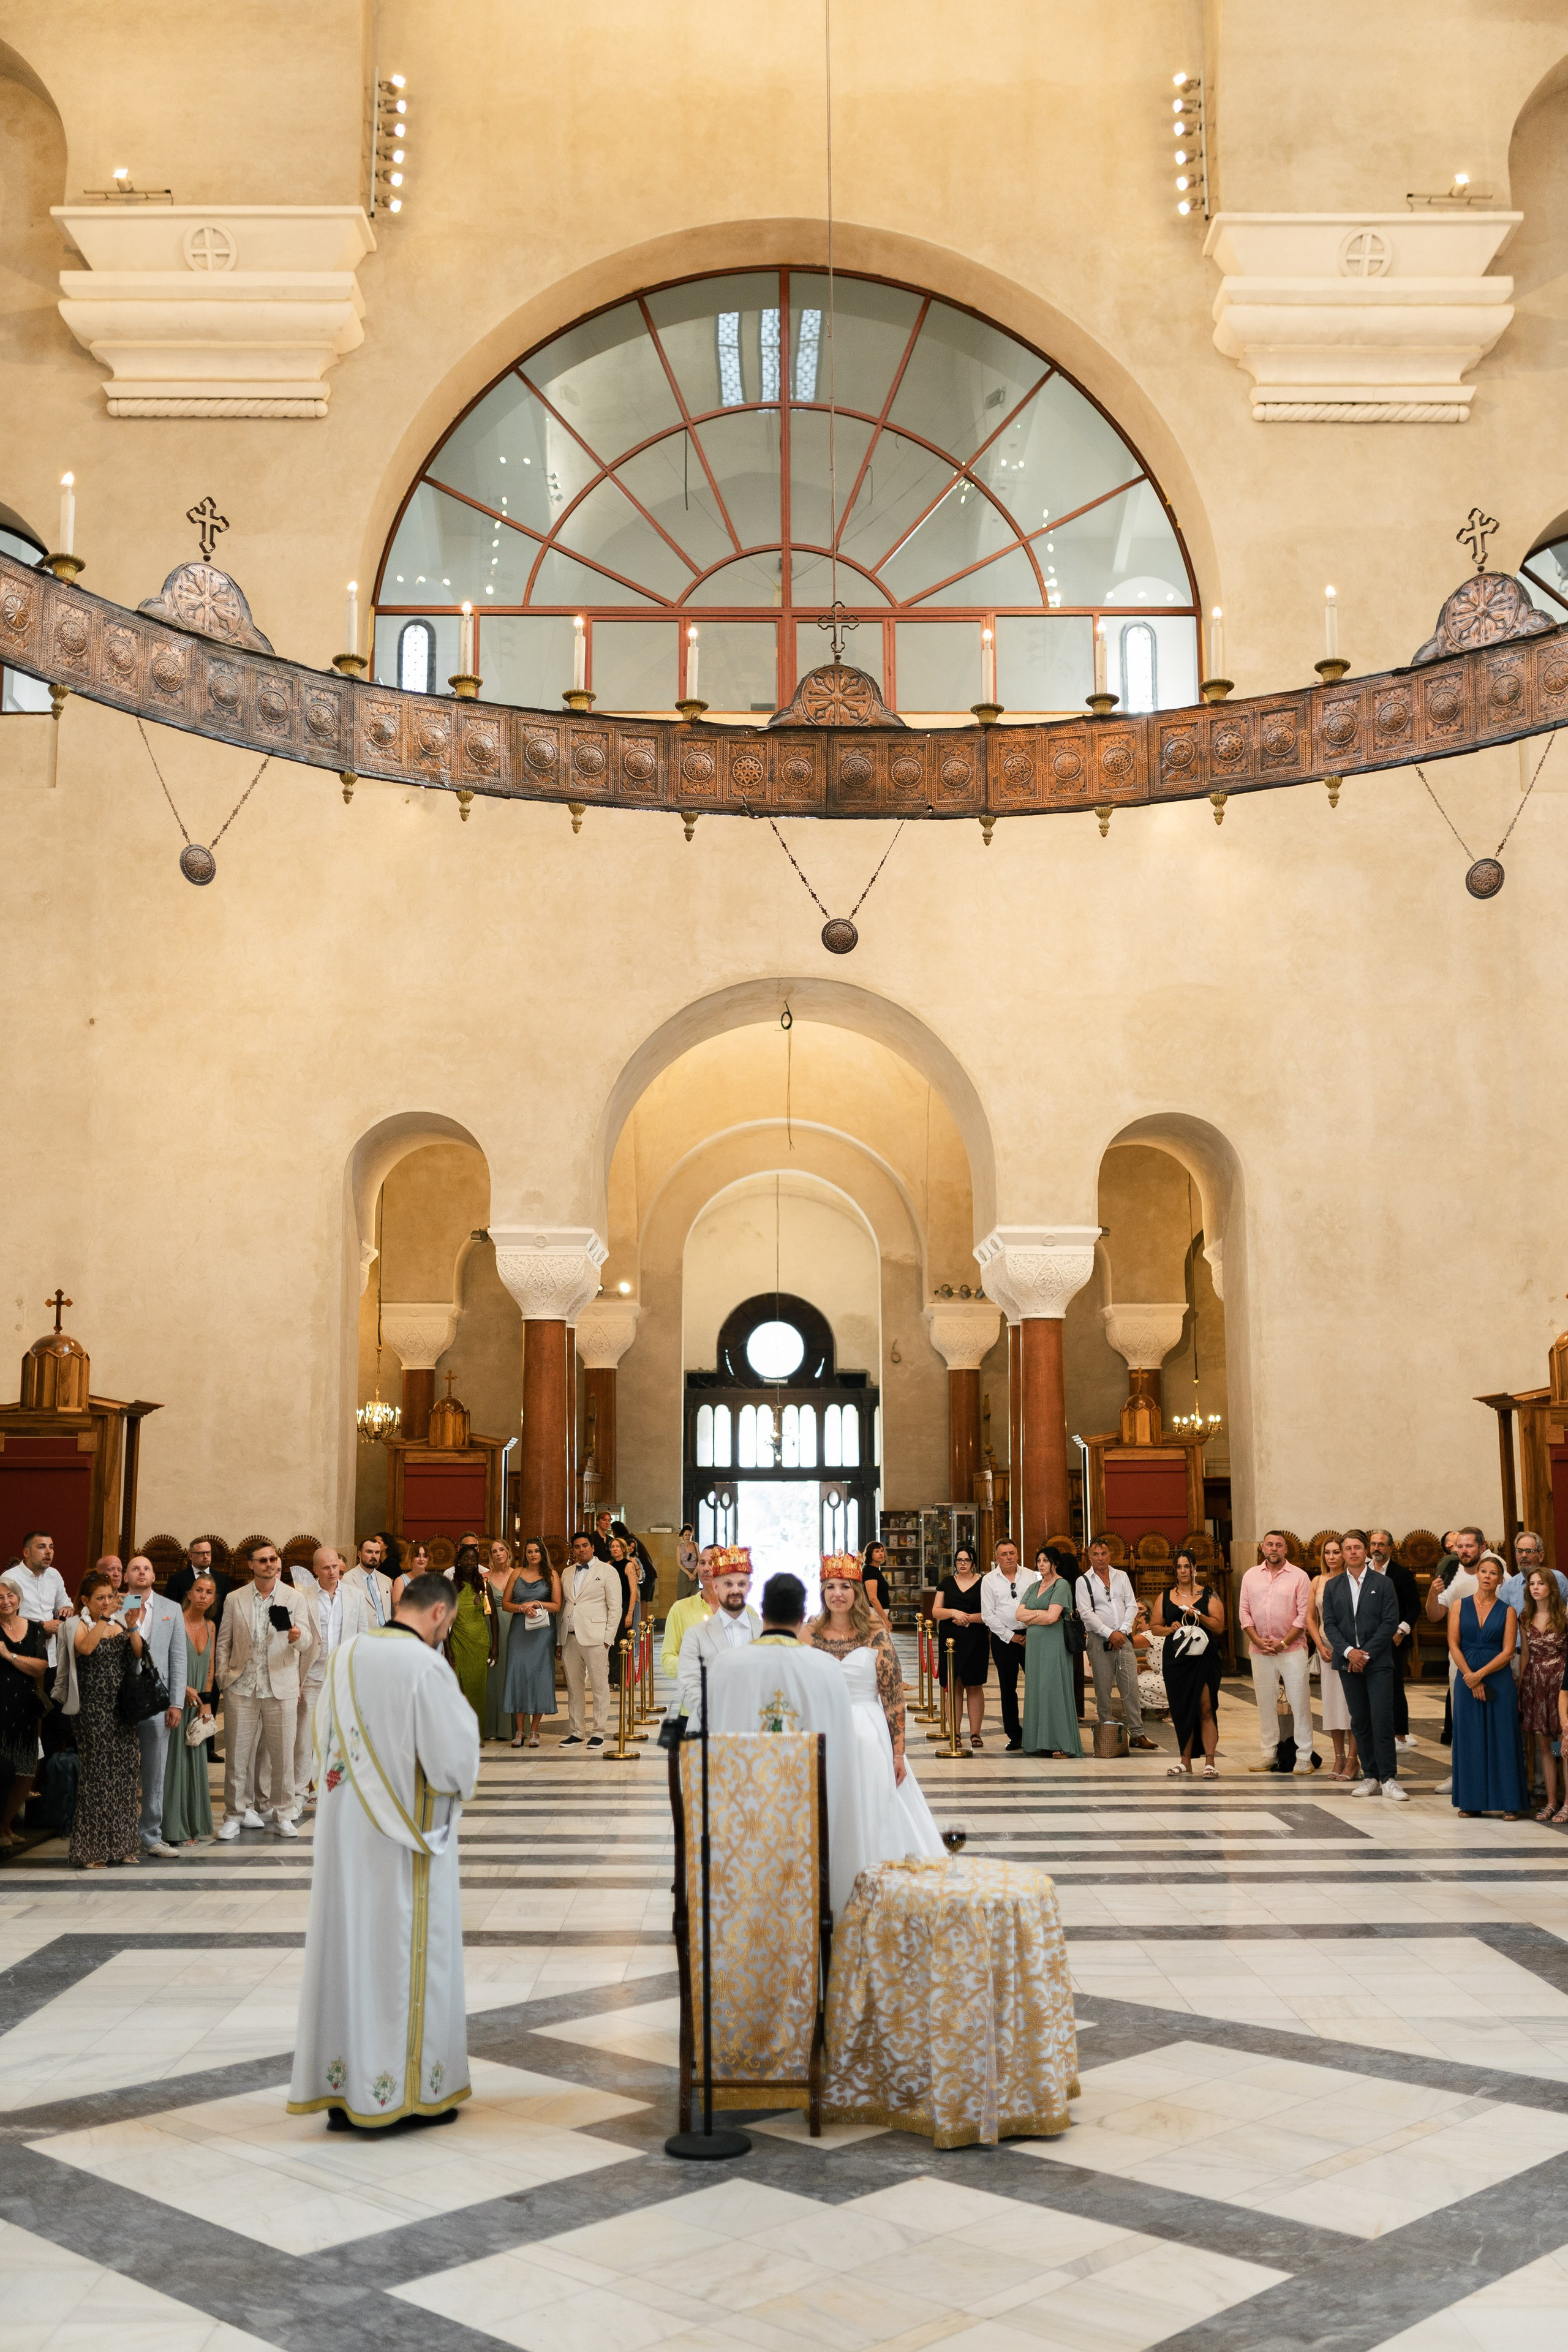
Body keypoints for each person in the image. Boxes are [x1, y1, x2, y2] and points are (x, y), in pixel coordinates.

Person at [288, 1571, 481, 2132]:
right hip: (404, 1840)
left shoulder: (348, 1653)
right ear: (441, 1614)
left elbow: (326, 1735)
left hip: (346, 1833)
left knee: (349, 1950)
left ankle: (344, 2089)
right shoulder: (424, 1666)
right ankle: (403, 2093)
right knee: (403, 1951)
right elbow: (453, 1757)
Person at [706, 1571, 876, 1918]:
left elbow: (698, 1749)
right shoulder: (826, 1668)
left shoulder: (724, 1666)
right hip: (809, 1824)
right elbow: (842, 1755)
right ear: (803, 1617)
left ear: (762, 1611)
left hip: (737, 1826)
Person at [807, 1564, 942, 1857]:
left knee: (873, 1801)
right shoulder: (810, 1633)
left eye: (844, 1587)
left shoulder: (875, 1634)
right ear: (822, 1592)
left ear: (856, 1592)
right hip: (824, 1729)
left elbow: (893, 1697)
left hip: (868, 1730)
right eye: (830, 1587)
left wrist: (898, 1753)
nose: (837, 1594)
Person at [214, 1540, 318, 1841]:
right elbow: (224, 1642)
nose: (270, 1564)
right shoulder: (235, 1599)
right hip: (242, 1687)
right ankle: (234, 1814)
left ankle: (284, 1813)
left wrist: (297, 1636)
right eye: (263, 1560)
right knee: (237, 1756)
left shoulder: (293, 1597)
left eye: (274, 1559)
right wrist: (225, 1678)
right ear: (251, 1564)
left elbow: (307, 1642)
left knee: (282, 1756)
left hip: (281, 1686)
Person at [53, 1569, 143, 1869]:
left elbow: (139, 1654)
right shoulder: (75, 1624)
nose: (106, 1602)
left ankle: (124, 1845)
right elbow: (86, 1649)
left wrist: (131, 1628)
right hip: (93, 1710)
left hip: (121, 1708)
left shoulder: (119, 1623)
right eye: (100, 1598)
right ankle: (91, 1850)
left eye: (110, 1597)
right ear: (85, 1601)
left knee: (126, 1775)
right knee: (98, 1778)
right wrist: (104, 1619)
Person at [1321, 1529, 1406, 1801]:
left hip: (1377, 1662)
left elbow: (1390, 1622)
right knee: (1360, 1720)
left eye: (1358, 1547)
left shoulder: (1382, 1584)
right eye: (1348, 1548)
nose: (1353, 1552)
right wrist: (1349, 1652)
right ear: (1343, 1554)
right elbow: (1330, 1625)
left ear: (1365, 1551)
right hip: (1347, 1663)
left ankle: (1389, 1778)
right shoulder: (1333, 1586)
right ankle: (1370, 1775)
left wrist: (1364, 1653)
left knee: (1382, 1718)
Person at [119, 1554, 186, 1859]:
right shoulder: (116, 1606)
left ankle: (151, 1835)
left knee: (155, 1768)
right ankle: (120, 1835)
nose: (141, 1572)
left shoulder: (170, 1609)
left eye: (147, 1568)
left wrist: (176, 1703)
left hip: (158, 1699)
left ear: (154, 1576)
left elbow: (178, 1658)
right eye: (135, 1568)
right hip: (120, 1697)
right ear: (126, 1577)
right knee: (119, 1769)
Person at [1449, 1550, 1523, 1818]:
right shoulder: (1460, 1606)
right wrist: (1470, 1676)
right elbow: (1454, 1644)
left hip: (1497, 1678)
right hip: (1466, 1677)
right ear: (1477, 1575)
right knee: (1469, 1738)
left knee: (1502, 1738)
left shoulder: (1509, 1611)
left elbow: (1507, 1652)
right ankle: (1471, 1801)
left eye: (1494, 1573)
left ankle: (1510, 1802)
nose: (1488, 1576)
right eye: (1484, 1572)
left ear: (1501, 1580)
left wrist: (1480, 1675)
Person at [1240, 1531, 1316, 1774]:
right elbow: (1244, 1612)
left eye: (1279, 1545)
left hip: (1292, 1650)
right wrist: (1257, 1640)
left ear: (1286, 1550)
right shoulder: (1251, 1576)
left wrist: (1282, 1643)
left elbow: (1303, 1616)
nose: (1274, 1549)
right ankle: (1269, 1753)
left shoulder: (1299, 1577)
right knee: (1265, 1703)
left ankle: (1304, 1756)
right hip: (1260, 1649)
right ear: (1263, 1548)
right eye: (1270, 1544)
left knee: (1300, 1702)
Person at [1077, 1540, 1158, 1752]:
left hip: (1123, 1640)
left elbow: (1131, 1605)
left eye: (1104, 1553)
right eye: (1096, 1554)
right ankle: (1108, 1734)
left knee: (1130, 1687)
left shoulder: (1121, 1577)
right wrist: (1109, 1633)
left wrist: (1121, 1633)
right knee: (1103, 1691)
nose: (1100, 1557)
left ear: (1110, 1555)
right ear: (1090, 1557)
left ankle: (1138, 1734)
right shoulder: (1083, 1581)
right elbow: (1086, 1614)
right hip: (1098, 1640)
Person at [1425, 1526, 1488, 1796]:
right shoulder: (1450, 1576)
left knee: (1490, 1718)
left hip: (1492, 1656)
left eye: (1469, 1546)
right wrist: (1432, 1592)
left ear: (1481, 1547)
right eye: (1459, 1547)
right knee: (1460, 1718)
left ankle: (1491, 1775)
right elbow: (1435, 1615)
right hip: (1459, 1657)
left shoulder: (1494, 1573)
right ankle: (1459, 1775)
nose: (1463, 1551)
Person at [1155, 1547, 1225, 1778]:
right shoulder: (1166, 1595)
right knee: (1181, 1709)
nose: (1183, 1570)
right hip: (1176, 1659)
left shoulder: (1209, 1595)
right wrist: (1170, 1628)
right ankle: (1185, 1761)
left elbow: (1219, 1626)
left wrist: (1200, 1616)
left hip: (1203, 1657)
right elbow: (1155, 1627)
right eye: (1179, 1567)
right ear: (1174, 1570)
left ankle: (1210, 1761)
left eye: (1187, 1566)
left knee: (1205, 1707)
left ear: (1195, 1569)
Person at [162, 1573, 217, 1845]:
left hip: (198, 1704)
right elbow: (163, 1660)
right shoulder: (175, 1620)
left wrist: (206, 1701)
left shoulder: (210, 1626)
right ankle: (173, 1829)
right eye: (199, 1590)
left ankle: (194, 1825)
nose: (203, 1596)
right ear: (189, 1593)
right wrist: (180, 1688)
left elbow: (210, 1668)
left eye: (209, 1592)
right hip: (175, 1699)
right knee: (174, 1765)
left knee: (194, 1762)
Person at [675, 1561, 761, 1729]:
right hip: (709, 1729)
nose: (736, 1590)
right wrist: (716, 1715)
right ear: (715, 1586)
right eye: (728, 1584)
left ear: (750, 1587)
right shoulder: (696, 1635)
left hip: (756, 1728)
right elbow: (687, 1685)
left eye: (741, 1584)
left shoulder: (764, 1631)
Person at [1018, 1542, 1082, 1759]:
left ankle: (1061, 1743)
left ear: (1055, 1563)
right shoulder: (1034, 1587)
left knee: (1053, 1689)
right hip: (1035, 1647)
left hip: (1054, 1644)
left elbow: (1053, 1617)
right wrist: (1039, 1614)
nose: (1041, 1564)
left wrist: (1032, 1616)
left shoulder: (1061, 1585)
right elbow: (1018, 1614)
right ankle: (1039, 1742)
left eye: (1045, 1561)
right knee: (1037, 1690)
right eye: (1039, 1561)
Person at [559, 1531, 622, 1749]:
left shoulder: (607, 1571)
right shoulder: (566, 1573)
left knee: (599, 1686)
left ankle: (599, 1731)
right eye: (577, 1547)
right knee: (574, 1688)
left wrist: (608, 1638)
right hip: (570, 1637)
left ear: (593, 1547)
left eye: (585, 1545)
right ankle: (577, 1731)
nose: (581, 1550)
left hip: (596, 1637)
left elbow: (615, 1607)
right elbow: (566, 1605)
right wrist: (560, 1640)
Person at [0, 1577, 49, 1846]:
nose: (6, 1601)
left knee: (26, 1770)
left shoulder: (34, 1629)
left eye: (11, 1596)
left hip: (26, 1707)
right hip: (1, 1708)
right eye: (0, 1597)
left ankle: (6, 1826)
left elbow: (41, 1667)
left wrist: (10, 1656)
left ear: (19, 1599)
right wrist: (25, 1663)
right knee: (3, 1769)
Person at [1308, 1537, 1360, 1782]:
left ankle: (1353, 1759)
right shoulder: (1317, 1581)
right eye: (1327, 1553)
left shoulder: (1350, 1580)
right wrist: (1319, 1645)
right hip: (1326, 1650)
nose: (1332, 1557)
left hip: (1348, 1650)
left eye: (1336, 1552)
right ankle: (1338, 1756)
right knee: (1332, 1707)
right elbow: (1310, 1617)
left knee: (1351, 1707)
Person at [1517, 1566, 1567, 1821]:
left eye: (1540, 1583)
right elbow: (1525, 1654)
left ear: (1551, 1588)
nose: (1535, 1587)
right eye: (1532, 1584)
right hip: (1536, 1684)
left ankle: (1567, 1802)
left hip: (1560, 1684)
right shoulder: (1525, 1617)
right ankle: (1550, 1802)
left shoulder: (1564, 1616)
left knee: (1564, 1746)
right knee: (1545, 1747)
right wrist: (1522, 1690)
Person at [502, 1539, 560, 1747]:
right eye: (529, 1552)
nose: (533, 1555)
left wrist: (536, 1603)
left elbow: (557, 1606)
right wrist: (521, 1608)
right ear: (524, 1554)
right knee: (518, 1674)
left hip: (543, 1632)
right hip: (519, 1631)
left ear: (542, 1553)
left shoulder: (552, 1575)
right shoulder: (516, 1573)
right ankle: (520, 1730)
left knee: (539, 1676)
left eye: (536, 1551)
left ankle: (535, 1730)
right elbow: (506, 1604)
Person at [932, 1544, 990, 1749]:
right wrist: (954, 1613)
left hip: (976, 1638)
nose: (962, 1564)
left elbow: (990, 1614)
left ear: (973, 1561)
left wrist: (969, 1618)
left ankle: (976, 1733)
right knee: (954, 1685)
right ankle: (955, 1733)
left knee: (975, 1685)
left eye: (966, 1560)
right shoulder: (947, 1583)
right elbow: (936, 1611)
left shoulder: (984, 1583)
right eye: (959, 1560)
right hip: (951, 1642)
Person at [1366, 1530, 1420, 1749]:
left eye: (1381, 1544)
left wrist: (1402, 1630)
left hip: (1393, 1638)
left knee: (1395, 1686)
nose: (1377, 1548)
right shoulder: (1363, 1571)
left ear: (1390, 1548)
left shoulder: (1401, 1574)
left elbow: (1413, 1606)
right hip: (1368, 1637)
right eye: (1373, 1544)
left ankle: (1400, 1736)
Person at [981, 1539, 1028, 1752]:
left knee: (1037, 1685)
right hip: (1004, 1639)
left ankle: (1037, 1731)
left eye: (1012, 1553)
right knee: (1008, 1688)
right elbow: (988, 1615)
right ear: (997, 1558)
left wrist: (1031, 1631)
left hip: (1031, 1636)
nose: (1009, 1557)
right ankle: (1014, 1734)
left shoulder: (1030, 1575)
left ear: (1017, 1554)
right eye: (1004, 1554)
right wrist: (1011, 1636)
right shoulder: (989, 1580)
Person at [3, 1531, 74, 1670]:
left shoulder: (54, 1575)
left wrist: (67, 1609)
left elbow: (64, 1603)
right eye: (42, 1547)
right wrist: (41, 1627)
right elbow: (4, 1619)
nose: (48, 1552)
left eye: (51, 1547)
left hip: (51, 1653)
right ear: (26, 1552)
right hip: (20, 1651)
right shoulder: (10, 1578)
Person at [445, 1545, 491, 1725]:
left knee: (478, 1689)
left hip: (480, 1643)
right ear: (458, 1561)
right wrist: (448, 1649)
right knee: (458, 1688)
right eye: (466, 1559)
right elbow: (445, 1622)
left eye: (473, 1559)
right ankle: (457, 1733)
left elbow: (493, 1617)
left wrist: (494, 1646)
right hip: (458, 1642)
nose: (470, 1562)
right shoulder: (452, 1587)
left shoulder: (484, 1585)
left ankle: (477, 1734)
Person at [661, 1553, 718, 1681]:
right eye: (702, 1563)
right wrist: (694, 1667)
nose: (706, 1568)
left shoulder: (744, 1611)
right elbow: (667, 1658)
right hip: (695, 1695)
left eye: (712, 1563)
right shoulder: (680, 1609)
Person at [481, 1540, 516, 1742]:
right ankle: (491, 1727)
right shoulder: (484, 1578)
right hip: (490, 1628)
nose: (498, 1554)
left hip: (514, 1627)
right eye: (494, 1551)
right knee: (492, 1676)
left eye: (501, 1549)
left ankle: (512, 1727)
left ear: (508, 1551)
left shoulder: (517, 1574)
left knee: (511, 1674)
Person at [165, 1536, 232, 1617]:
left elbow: (227, 1612)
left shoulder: (223, 1580)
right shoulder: (176, 1580)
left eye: (208, 1553)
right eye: (201, 1553)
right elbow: (170, 1611)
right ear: (191, 1556)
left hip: (216, 1628)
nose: (206, 1556)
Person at [342, 1537, 393, 1630]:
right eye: (369, 1552)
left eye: (377, 1552)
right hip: (362, 1635)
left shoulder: (386, 1580)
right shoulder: (347, 1580)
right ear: (359, 1554)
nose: (374, 1556)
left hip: (385, 1634)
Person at [390, 1539, 434, 1611]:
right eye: (418, 1556)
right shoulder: (400, 1581)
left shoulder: (434, 1581)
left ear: (429, 1559)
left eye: (425, 1556)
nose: (421, 1559)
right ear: (411, 1557)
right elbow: (398, 1612)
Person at [860, 1542, 894, 1632]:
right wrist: (885, 1619)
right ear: (870, 1554)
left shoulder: (876, 1571)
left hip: (879, 1612)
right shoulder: (869, 1571)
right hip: (874, 1613)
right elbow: (873, 1599)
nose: (881, 1553)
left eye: (882, 1551)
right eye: (877, 1551)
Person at [676, 1525, 699, 1598]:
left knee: (694, 1597)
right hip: (684, 1573)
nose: (688, 1537)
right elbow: (679, 1563)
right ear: (683, 1536)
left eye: (689, 1535)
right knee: (683, 1597)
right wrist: (689, 1574)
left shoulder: (695, 1545)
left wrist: (694, 1573)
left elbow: (700, 1560)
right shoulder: (680, 1547)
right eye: (686, 1535)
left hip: (694, 1572)